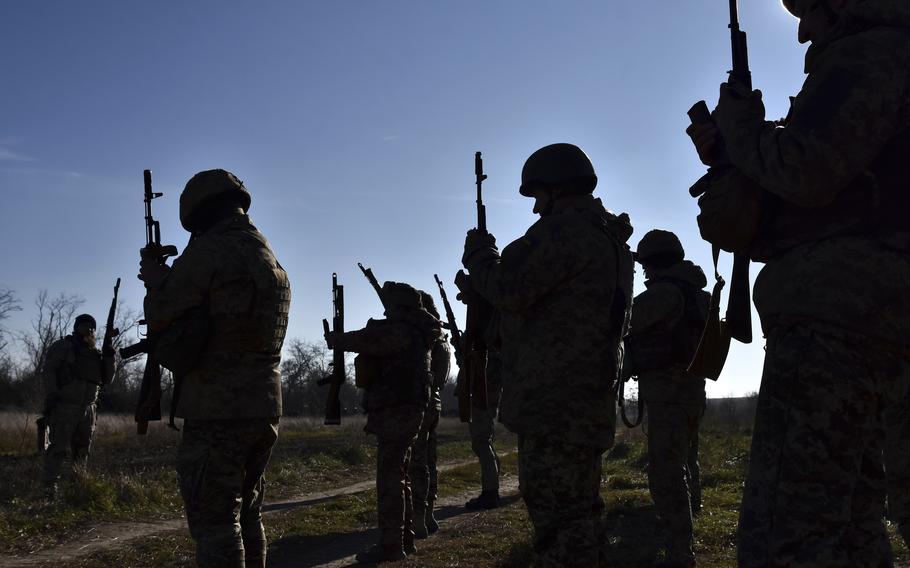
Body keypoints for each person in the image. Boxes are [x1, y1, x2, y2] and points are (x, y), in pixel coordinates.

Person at [686, 0, 910, 564]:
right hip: (862, 315)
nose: (804, 30)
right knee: (854, 526)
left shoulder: (869, 53)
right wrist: (734, 156)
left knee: (784, 533)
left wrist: (742, 126)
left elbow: (806, 171)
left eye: (809, 11)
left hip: (839, 320)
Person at [461, 143, 635, 566]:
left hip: (556, 403)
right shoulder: (606, 238)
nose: (536, 209)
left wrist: (481, 257)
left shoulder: (567, 232)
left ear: (556, 190)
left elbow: (511, 288)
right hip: (580, 399)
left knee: (559, 522)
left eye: (539, 196)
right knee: (578, 517)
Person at [138, 169, 291, 568]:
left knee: (216, 524)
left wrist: (155, 281)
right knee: (249, 513)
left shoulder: (210, 251)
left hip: (218, 406)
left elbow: (161, 313)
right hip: (264, 405)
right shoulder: (268, 256)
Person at [324, 281, 439, 563]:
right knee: (401, 476)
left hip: (396, 411)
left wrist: (337, 339)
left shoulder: (401, 331)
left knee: (389, 478)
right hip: (410, 410)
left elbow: (365, 340)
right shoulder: (418, 331)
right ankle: (405, 539)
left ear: (399, 306)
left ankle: (391, 545)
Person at [623, 230, 709, 568]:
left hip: (666, 392)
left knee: (666, 472)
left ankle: (679, 550)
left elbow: (623, 323)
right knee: (687, 459)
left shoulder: (662, 295)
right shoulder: (697, 293)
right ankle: (691, 512)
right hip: (692, 390)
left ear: (652, 264)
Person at [41, 313, 114, 498]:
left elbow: (107, 379)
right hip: (66, 406)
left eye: (92, 326)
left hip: (89, 409)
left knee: (83, 450)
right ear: (76, 327)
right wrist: (53, 395)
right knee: (58, 448)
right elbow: (49, 371)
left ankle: (78, 488)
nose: (89, 329)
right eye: (85, 325)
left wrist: (109, 357)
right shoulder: (63, 347)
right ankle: (49, 490)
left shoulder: (96, 354)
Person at [409, 290, 451, 538]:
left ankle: (418, 516)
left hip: (421, 403)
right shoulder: (441, 338)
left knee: (417, 464)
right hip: (435, 405)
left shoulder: (425, 335)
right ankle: (429, 513)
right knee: (430, 462)